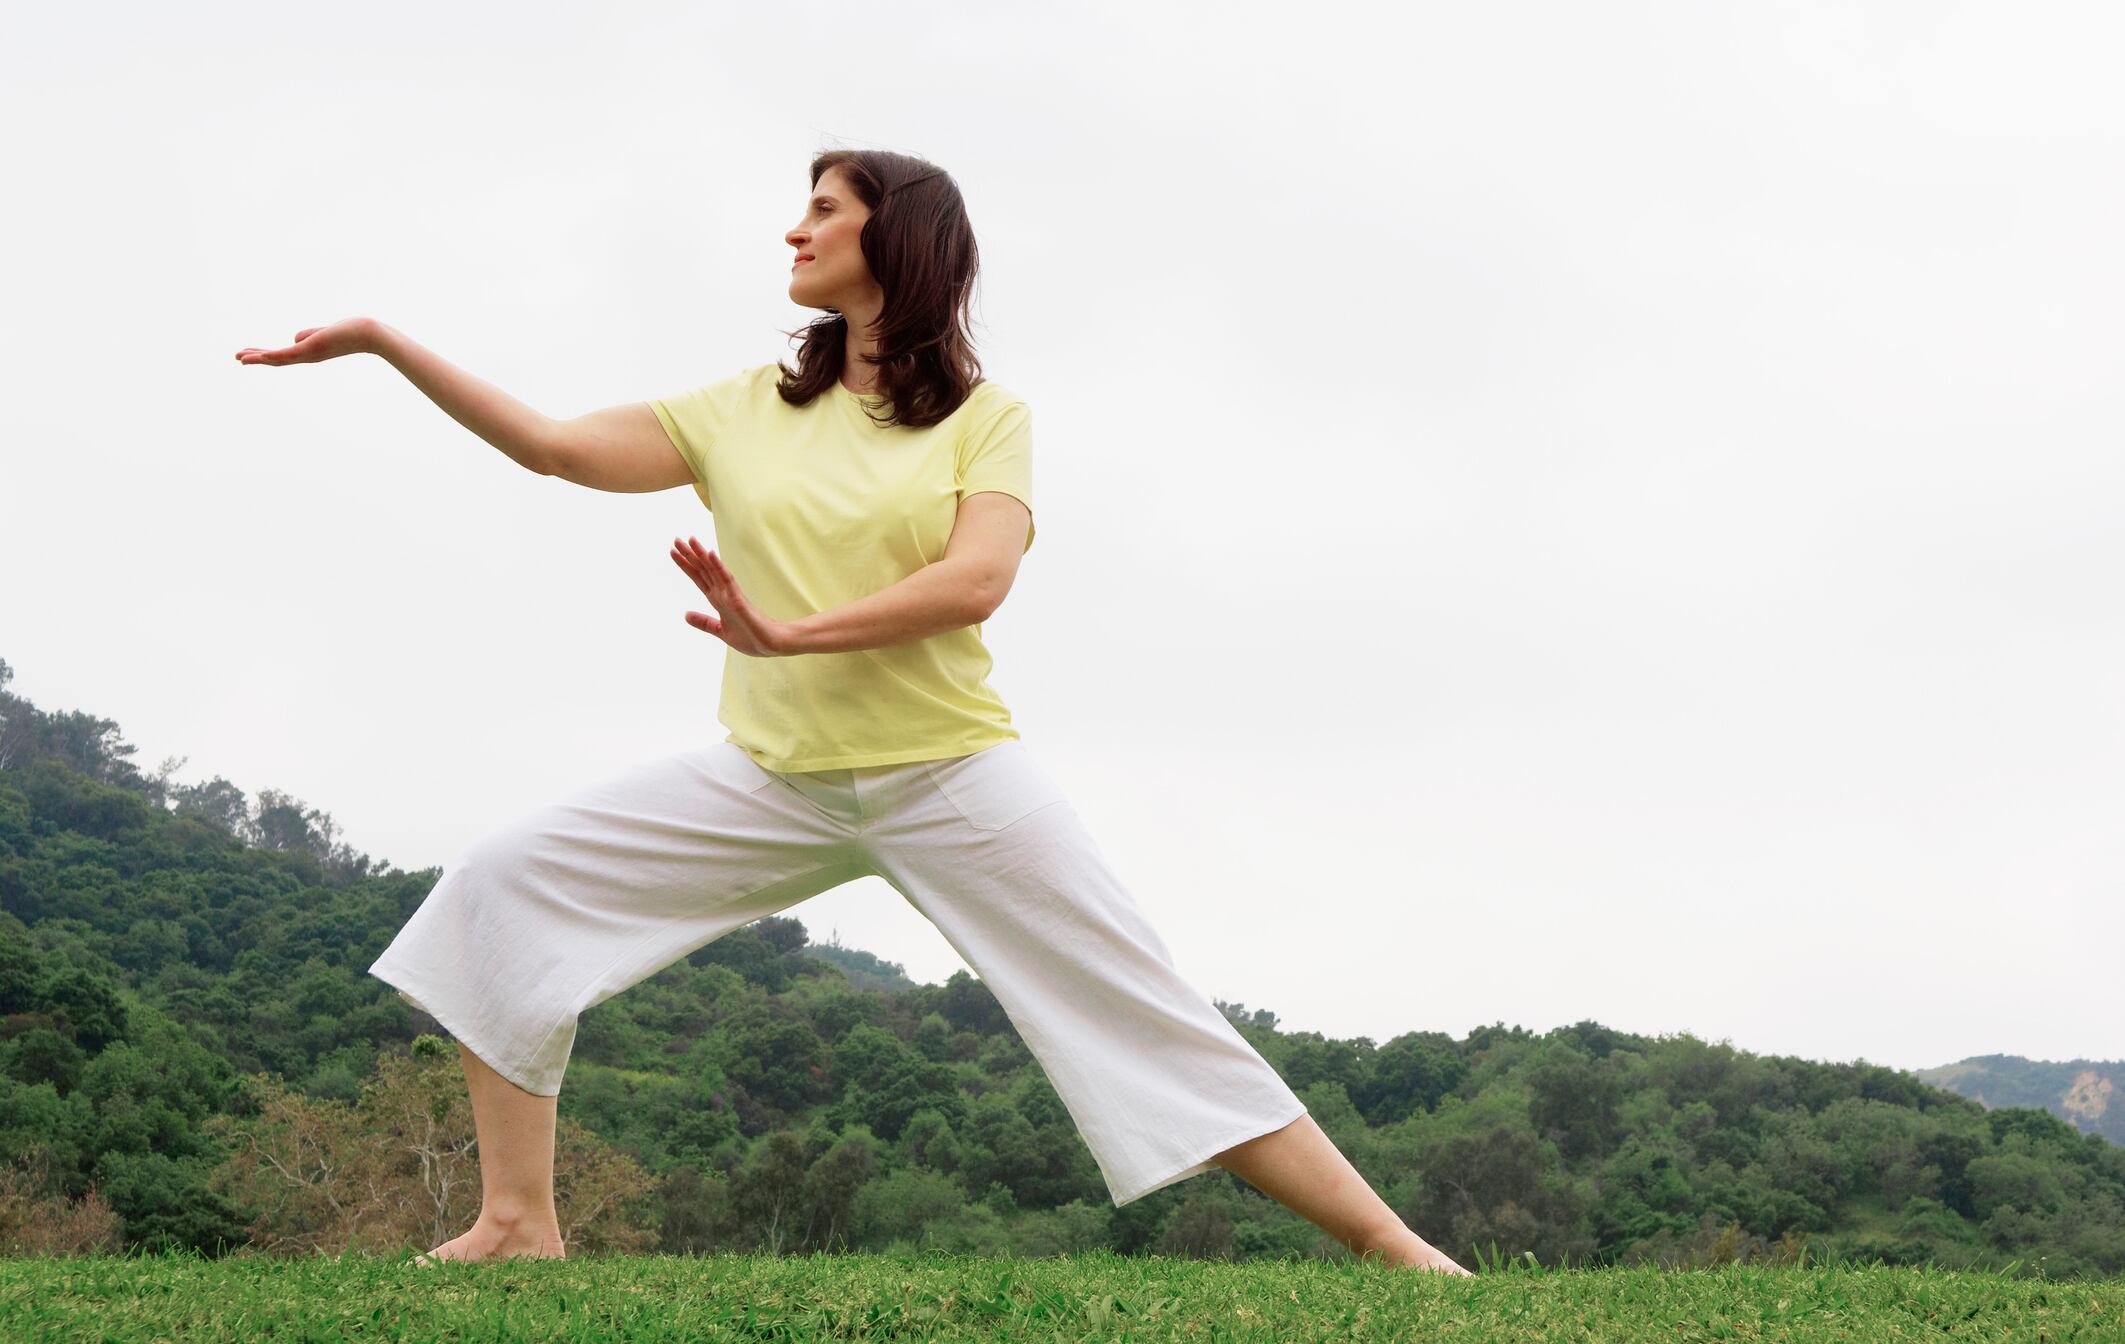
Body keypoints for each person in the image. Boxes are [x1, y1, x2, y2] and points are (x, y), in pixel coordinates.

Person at [234, 148, 1472, 1277]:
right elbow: (556, 446)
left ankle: (1391, 1246)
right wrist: (388, 344)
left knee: (1143, 1007)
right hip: (775, 775)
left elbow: (976, 578)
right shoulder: (746, 409)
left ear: (901, 241)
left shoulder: (988, 421)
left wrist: (793, 633)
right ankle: (517, 1222)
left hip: (949, 775)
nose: (794, 231)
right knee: (500, 886)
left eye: (823, 209)